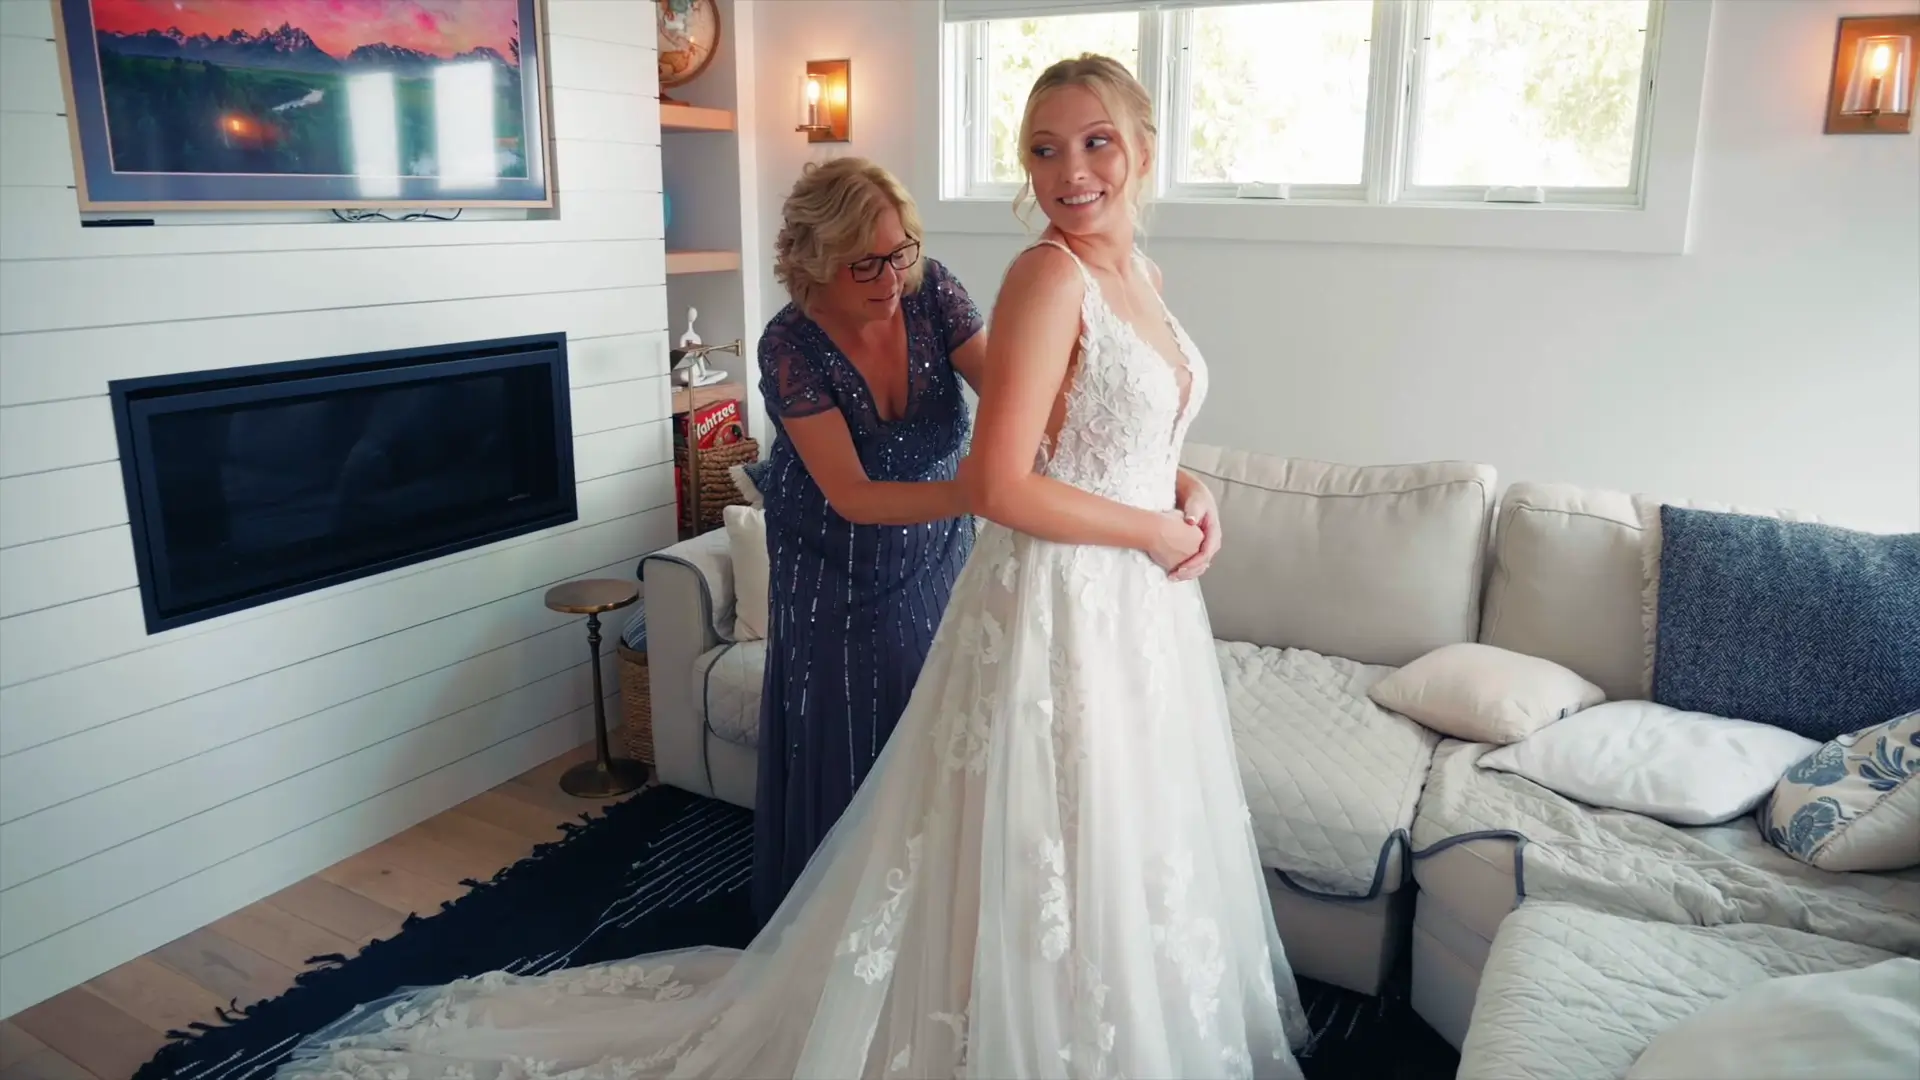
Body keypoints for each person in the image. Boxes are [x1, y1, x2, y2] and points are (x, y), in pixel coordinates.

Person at [277, 54, 1307, 1080]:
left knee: (1062, 820)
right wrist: (1144, 525)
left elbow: (1074, 420)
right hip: (856, 556)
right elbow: (955, 482)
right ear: (812, 266)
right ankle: (843, 949)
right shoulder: (840, 330)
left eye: (1095, 143)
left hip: (1087, 584)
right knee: (873, 756)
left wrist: (1182, 490)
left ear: (1142, 148)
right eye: (1043, 148)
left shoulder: (1089, 281)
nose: (1068, 169)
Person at [750, 157, 985, 921]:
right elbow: (851, 495)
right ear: (814, 264)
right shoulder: (789, 344)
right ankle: (838, 927)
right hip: (831, 563)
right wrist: (986, 491)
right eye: (865, 264)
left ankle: (928, 924)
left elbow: (1016, 388)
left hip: (938, 550)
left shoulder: (933, 291)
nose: (891, 279)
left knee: (936, 721)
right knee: (851, 732)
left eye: (901, 250)